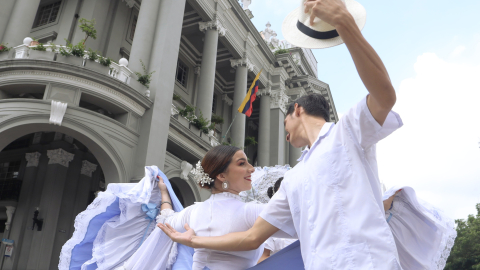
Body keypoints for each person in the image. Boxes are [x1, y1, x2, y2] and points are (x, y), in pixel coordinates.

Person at [158, 0, 406, 268]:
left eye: (284, 120)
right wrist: (194, 243)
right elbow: (253, 237)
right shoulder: (293, 178)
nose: (284, 130)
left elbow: (384, 96)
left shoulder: (345, 133)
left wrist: (346, 25)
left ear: (296, 110)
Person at [117, 145, 293, 270]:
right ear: (222, 175)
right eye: (242, 163)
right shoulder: (254, 212)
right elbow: (306, 228)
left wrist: (164, 193)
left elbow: (165, 219)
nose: (252, 169)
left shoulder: (193, 212)